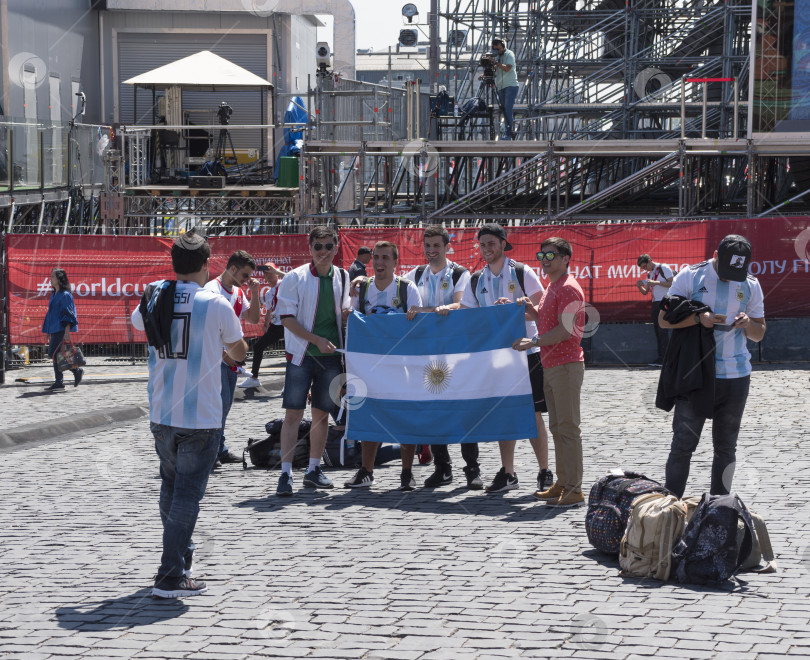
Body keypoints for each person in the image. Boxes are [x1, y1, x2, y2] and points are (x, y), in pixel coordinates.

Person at [131, 230, 247, 598]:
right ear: (206, 263)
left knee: (170, 487)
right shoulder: (214, 303)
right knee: (186, 495)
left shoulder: (153, 294)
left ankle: (181, 556)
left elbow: (136, 324)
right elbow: (240, 351)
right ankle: (170, 574)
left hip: (163, 410)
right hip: (200, 416)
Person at [658, 234, 765, 498]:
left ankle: (720, 509)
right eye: (727, 270)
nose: (731, 277)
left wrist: (747, 324)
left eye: (737, 272)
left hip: (735, 377)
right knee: (683, 445)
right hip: (696, 375)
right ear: (715, 257)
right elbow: (663, 320)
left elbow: (759, 332)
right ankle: (669, 508)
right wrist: (697, 318)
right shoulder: (690, 276)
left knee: (726, 448)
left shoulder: (751, 284)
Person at [458, 223, 552, 494]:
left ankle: (544, 470)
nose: (486, 249)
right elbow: (468, 316)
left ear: (503, 243)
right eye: (482, 244)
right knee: (504, 412)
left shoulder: (522, 272)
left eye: (491, 243)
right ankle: (508, 473)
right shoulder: (476, 279)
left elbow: (542, 311)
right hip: (496, 356)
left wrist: (511, 312)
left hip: (527, 351)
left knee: (533, 413)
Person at [402, 225, 482, 490]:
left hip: (457, 353)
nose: (431, 250)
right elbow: (393, 287)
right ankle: (442, 468)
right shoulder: (416, 274)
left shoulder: (460, 273)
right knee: (435, 409)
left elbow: (460, 305)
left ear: (448, 247)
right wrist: (360, 282)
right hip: (428, 354)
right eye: (427, 246)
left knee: (463, 410)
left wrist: (435, 309)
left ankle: (472, 469)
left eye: (437, 245)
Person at [275, 226, 352, 497]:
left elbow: (344, 310)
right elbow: (286, 318)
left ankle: (313, 470)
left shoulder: (342, 276)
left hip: (331, 357)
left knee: (321, 415)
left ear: (336, 248)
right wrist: (315, 339)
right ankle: (285, 473)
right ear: (309, 248)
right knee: (293, 414)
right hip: (301, 356)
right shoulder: (295, 278)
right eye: (318, 246)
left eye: (328, 246)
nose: (323, 252)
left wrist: (346, 314)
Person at [514, 237, 587, 508]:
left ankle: (575, 489)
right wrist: (528, 308)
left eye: (551, 256)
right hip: (553, 365)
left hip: (566, 367)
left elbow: (565, 330)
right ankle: (563, 483)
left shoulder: (567, 287)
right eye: (541, 256)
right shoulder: (553, 286)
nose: (544, 261)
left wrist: (532, 342)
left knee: (568, 429)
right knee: (558, 428)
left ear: (566, 259)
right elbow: (544, 320)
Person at [344, 240, 423, 491]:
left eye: (385, 258)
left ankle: (407, 473)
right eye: (376, 257)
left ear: (395, 262)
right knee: (370, 416)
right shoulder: (362, 288)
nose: (379, 262)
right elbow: (352, 321)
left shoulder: (407, 288)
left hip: (402, 365)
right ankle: (366, 471)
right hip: (371, 366)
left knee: (406, 418)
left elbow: (418, 327)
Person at [204, 250, 261, 467]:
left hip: (231, 359)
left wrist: (254, 294)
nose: (248, 280)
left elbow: (254, 318)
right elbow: (205, 329)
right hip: (215, 359)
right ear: (233, 269)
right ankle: (212, 451)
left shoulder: (238, 292)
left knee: (224, 406)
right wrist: (223, 355)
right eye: (245, 275)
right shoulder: (212, 290)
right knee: (216, 406)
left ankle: (219, 448)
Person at [239, 263, 285, 389]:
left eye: (271, 273)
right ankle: (254, 378)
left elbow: (294, 278)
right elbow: (269, 310)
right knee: (259, 346)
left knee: (291, 352)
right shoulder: (269, 292)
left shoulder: (283, 283)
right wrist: (266, 325)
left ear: (276, 272)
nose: (269, 276)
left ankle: (291, 383)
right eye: (266, 273)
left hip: (289, 323)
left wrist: (277, 271)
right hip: (276, 325)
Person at [42, 268, 83, 390]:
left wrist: (67, 332)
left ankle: (63, 379)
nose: (51, 279)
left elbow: (68, 314)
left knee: (54, 355)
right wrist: (48, 330)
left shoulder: (65, 295)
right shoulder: (54, 294)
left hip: (60, 328)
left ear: (60, 279)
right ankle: (74, 372)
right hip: (54, 329)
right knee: (56, 355)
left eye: (53, 276)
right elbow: (51, 313)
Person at [636, 254, 674, 367]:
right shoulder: (649, 274)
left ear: (649, 261)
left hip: (665, 301)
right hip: (655, 303)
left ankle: (666, 359)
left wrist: (656, 283)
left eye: (644, 266)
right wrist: (639, 286)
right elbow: (645, 292)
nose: (644, 269)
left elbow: (672, 283)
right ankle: (661, 358)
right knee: (657, 332)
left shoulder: (663, 268)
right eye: (642, 268)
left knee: (663, 331)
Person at [491, 37, 519, 140]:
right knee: (504, 110)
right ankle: (507, 132)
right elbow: (495, 70)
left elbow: (507, 68)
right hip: (501, 87)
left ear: (502, 46)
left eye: (498, 49)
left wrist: (495, 63)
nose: (497, 51)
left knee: (508, 110)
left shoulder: (509, 54)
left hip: (510, 86)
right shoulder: (498, 57)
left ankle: (508, 134)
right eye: (495, 49)